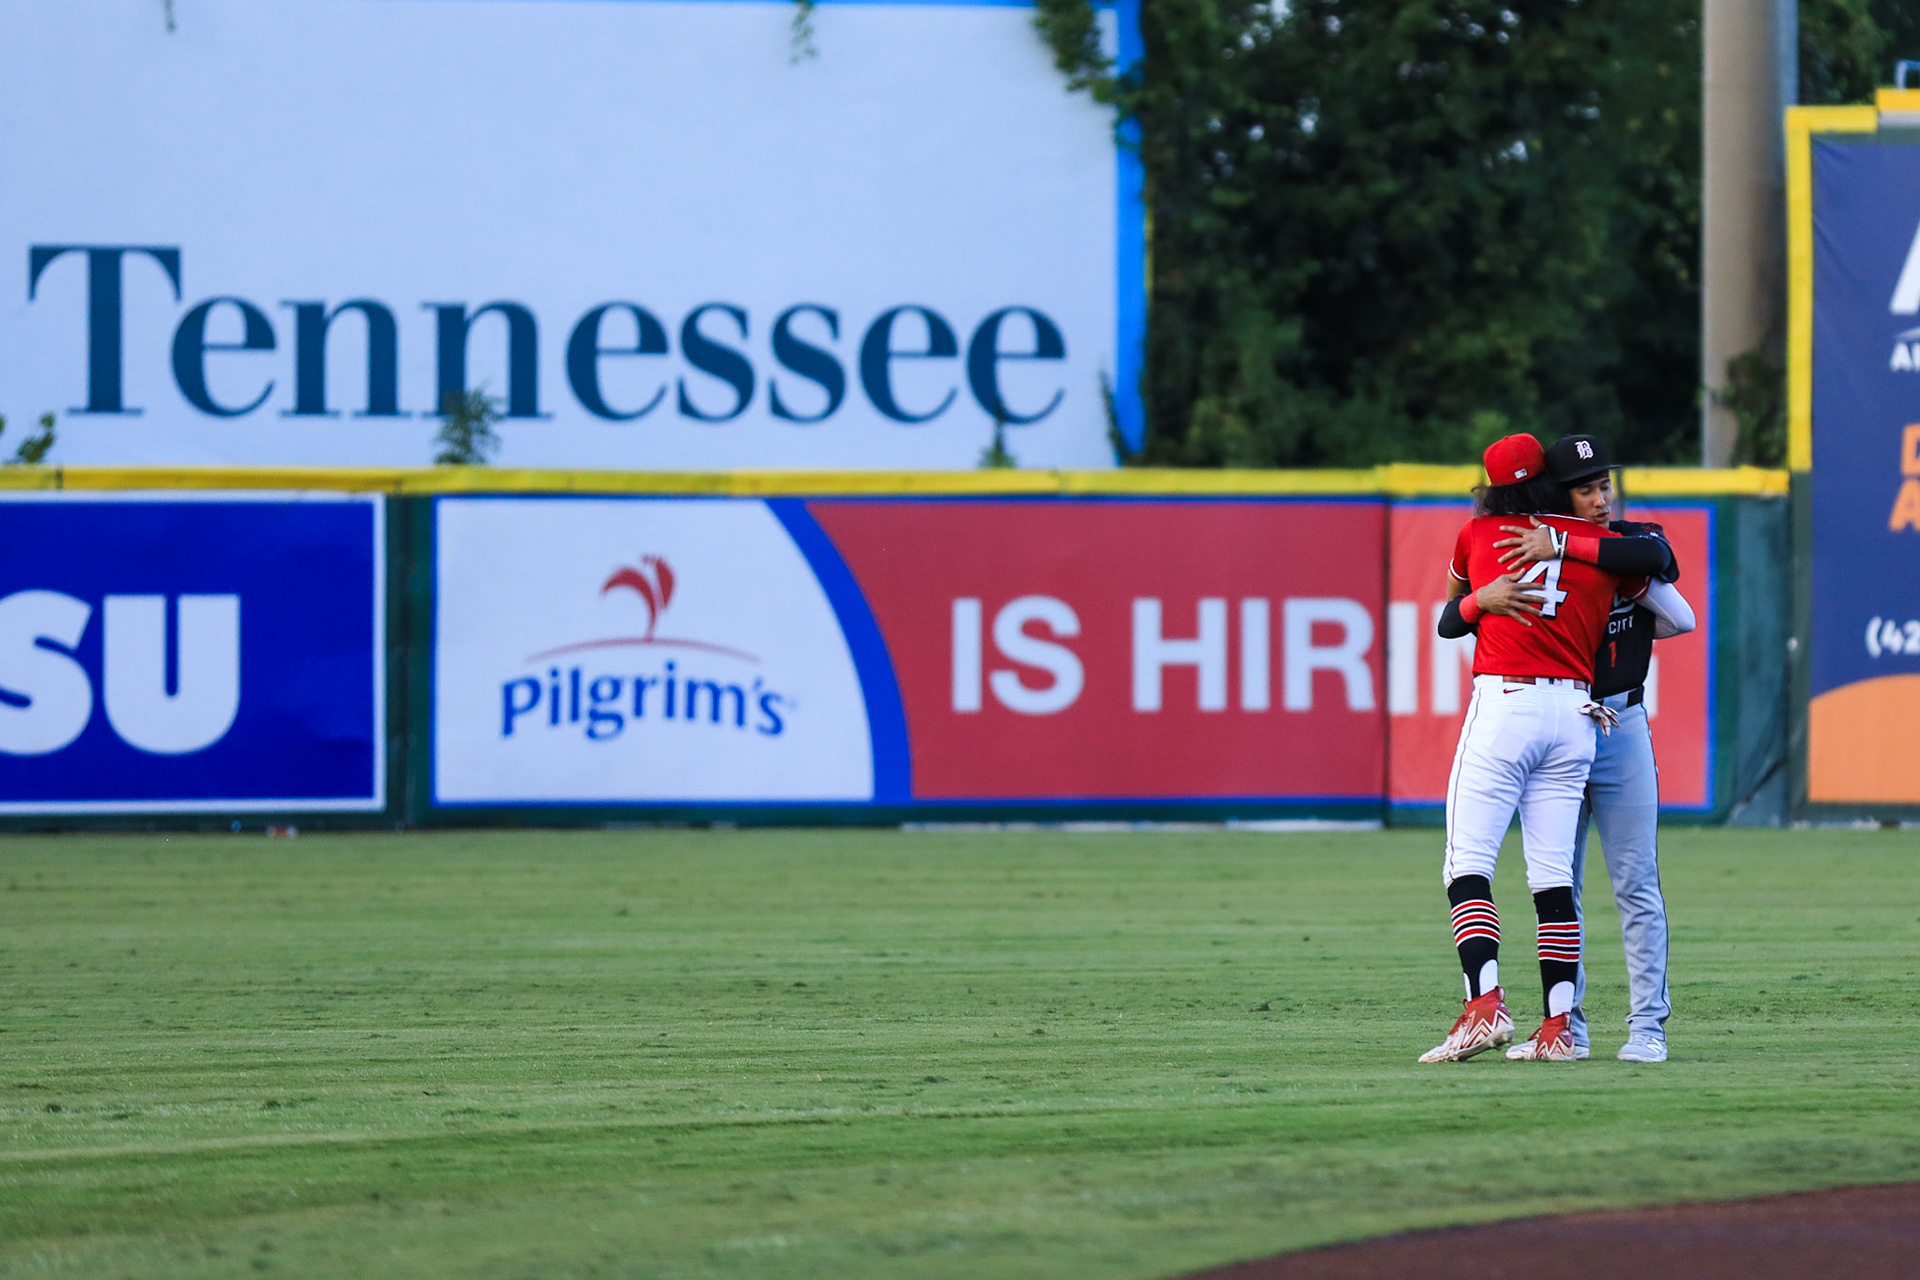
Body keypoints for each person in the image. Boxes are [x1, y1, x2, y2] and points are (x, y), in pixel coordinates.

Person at [1418, 433, 1668, 1065]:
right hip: (1576, 714)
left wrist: (1482, 599)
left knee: (1467, 861)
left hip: (1509, 703)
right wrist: (1567, 544)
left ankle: (1485, 1005)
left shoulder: (1479, 536)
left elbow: (1450, 618)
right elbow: (1661, 568)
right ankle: (1558, 1027)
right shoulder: (1602, 547)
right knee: (1553, 876)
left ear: (1494, 487)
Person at [1489, 434, 1694, 1064]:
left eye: (1605, 484)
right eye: (1586, 488)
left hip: (1623, 724)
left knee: (1636, 883)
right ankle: (1566, 1026)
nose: (1602, 498)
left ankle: (1648, 1028)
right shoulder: (1532, 556)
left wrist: (1566, 543)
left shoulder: (1625, 542)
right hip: (1565, 724)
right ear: (1557, 494)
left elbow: (1665, 565)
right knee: (1561, 885)